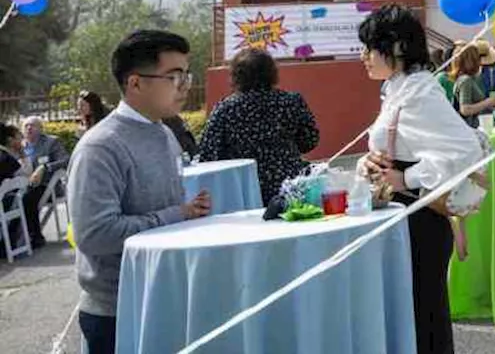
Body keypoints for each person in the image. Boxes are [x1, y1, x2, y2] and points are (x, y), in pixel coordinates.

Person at [68, 30, 213, 353]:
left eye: (187, 76)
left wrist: (189, 211)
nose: (185, 87)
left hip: (165, 299)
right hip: (118, 311)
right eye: (174, 77)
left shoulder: (164, 133)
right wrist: (178, 213)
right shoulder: (101, 147)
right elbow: (95, 234)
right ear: (135, 83)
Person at [357, 4, 487, 354]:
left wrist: (406, 178)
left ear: (396, 47)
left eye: (370, 48)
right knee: (413, 317)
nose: (363, 56)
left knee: (424, 319)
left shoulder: (419, 92)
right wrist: (372, 165)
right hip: (405, 217)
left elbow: (465, 149)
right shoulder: (399, 89)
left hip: (420, 220)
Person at [198, 48, 321, 202]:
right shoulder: (291, 101)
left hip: (244, 189)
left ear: (237, 76)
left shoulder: (225, 109)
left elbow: (209, 154)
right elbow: (310, 140)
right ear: (271, 73)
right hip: (289, 186)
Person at [2, 122, 46, 250]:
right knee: (29, 194)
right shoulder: (6, 158)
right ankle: (33, 236)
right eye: (19, 137)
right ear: (10, 140)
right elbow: (28, 176)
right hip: (3, 205)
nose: (22, 139)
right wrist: (23, 153)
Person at [452, 44, 495, 128]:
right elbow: (465, 109)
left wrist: (490, 104)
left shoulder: (469, 79)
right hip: (471, 128)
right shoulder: (466, 80)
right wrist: (488, 102)